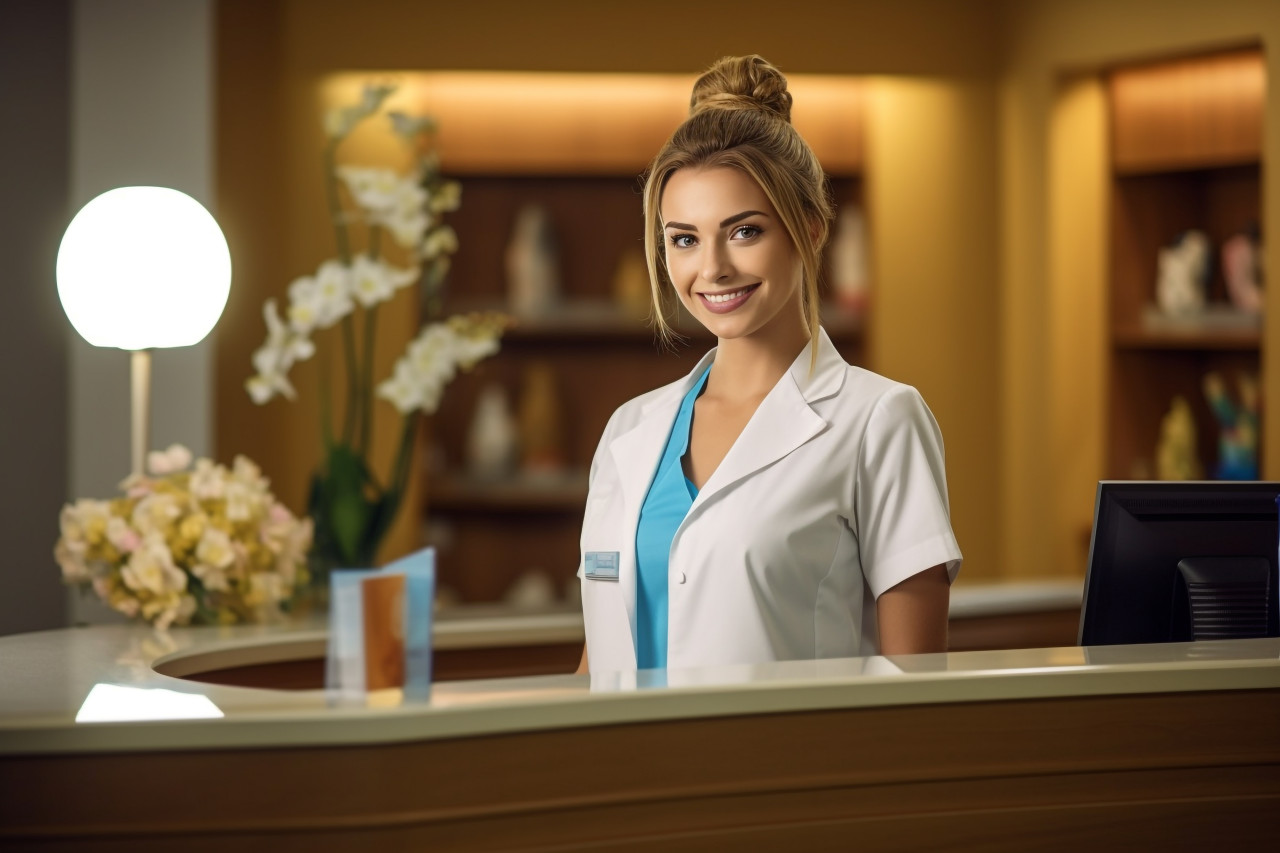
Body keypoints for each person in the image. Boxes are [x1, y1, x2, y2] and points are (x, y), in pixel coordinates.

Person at [576, 55, 961, 676]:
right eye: (684, 238)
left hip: (789, 772)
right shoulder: (630, 430)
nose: (713, 269)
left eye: (744, 231)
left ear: (809, 230)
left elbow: (912, 691)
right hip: (630, 770)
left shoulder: (880, 421)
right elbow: (600, 666)